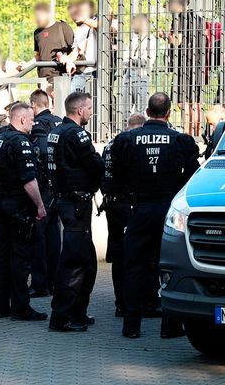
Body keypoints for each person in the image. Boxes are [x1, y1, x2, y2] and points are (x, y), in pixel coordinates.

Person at [111, 92, 200, 339]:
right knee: (169, 267)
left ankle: (131, 327)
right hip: (169, 210)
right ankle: (170, 327)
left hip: (139, 210)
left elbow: (116, 177)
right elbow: (193, 177)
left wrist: (131, 194)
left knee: (134, 268)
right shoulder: (181, 140)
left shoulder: (126, 140)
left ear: (148, 112)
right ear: (169, 113)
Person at [47, 92, 104, 332]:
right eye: (89, 108)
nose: (91, 112)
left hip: (65, 202)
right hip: (75, 204)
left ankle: (78, 312)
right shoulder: (76, 134)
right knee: (75, 263)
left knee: (87, 261)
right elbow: (94, 164)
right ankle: (62, 317)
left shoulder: (55, 132)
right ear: (79, 110)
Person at [0, 102, 48, 321]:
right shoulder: (20, 142)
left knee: (2, 257)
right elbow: (28, 180)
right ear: (22, 119)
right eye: (32, 119)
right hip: (18, 207)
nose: (33, 123)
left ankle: (1, 306)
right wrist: (40, 205)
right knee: (20, 258)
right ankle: (21, 307)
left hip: (1, 205)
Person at [101, 113, 146, 317]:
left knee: (118, 254)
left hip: (112, 204)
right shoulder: (133, 144)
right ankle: (133, 302)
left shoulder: (111, 144)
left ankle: (121, 301)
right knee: (135, 255)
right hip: (129, 205)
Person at [28, 89, 62, 297]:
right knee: (54, 236)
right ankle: (54, 282)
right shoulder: (59, 122)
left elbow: (39, 153)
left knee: (39, 238)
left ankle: (40, 284)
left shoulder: (38, 126)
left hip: (42, 188)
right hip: (59, 187)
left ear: (33, 105)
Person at [159, 0, 204, 136]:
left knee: (183, 103)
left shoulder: (180, 18)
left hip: (184, 65)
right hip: (197, 65)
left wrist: (165, 35)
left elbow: (177, 40)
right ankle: (196, 135)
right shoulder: (196, 18)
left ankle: (187, 135)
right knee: (195, 102)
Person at [23, 2, 74, 95]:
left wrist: (68, 60)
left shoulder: (62, 27)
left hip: (60, 77)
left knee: (61, 107)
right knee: (45, 107)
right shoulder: (37, 32)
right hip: (43, 78)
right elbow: (38, 55)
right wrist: (27, 65)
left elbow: (75, 49)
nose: (38, 18)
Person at [122, 14, 157, 118]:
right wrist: (132, 60)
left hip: (141, 76)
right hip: (129, 75)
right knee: (125, 110)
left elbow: (146, 62)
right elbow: (124, 59)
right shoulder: (133, 39)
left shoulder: (151, 40)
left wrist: (131, 60)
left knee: (140, 110)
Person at [62, 0, 98, 81]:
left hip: (95, 71)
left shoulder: (95, 21)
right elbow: (76, 50)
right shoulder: (79, 29)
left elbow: (101, 26)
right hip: (82, 71)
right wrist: (68, 59)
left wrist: (84, 20)